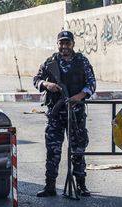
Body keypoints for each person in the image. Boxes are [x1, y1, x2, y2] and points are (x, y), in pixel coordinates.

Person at [33, 30, 96, 197]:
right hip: (55, 113)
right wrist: (48, 85)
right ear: (57, 44)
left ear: (73, 44)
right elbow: (36, 80)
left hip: (76, 113)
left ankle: (81, 185)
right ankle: (50, 186)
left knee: (78, 149)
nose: (64, 46)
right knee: (53, 149)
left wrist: (79, 96)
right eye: (61, 43)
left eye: (67, 43)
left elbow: (92, 83)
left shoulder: (82, 62)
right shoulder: (50, 62)